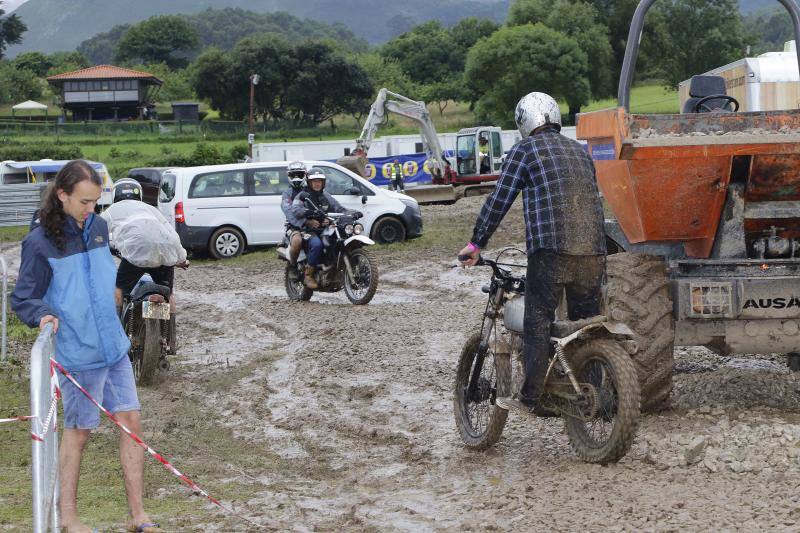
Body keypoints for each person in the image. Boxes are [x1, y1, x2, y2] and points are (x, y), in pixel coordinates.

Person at [11, 160, 162, 533]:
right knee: (79, 433)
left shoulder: (98, 227)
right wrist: (42, 314)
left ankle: (138, 516)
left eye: (95, 201)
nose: (90, 209)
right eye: (83, 202)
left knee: (131, 423)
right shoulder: (39, 241)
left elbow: (108, 270)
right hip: (78, 354)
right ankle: (69, 519)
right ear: (62, 195)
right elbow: (24, 297)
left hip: (113, 347)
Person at [458, 92, 606, 414]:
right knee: (585, 324)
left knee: (537, 319)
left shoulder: (525, 150)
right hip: (594, 251)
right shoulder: (581, 152)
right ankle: (597, 391)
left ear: (525, 122)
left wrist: (476, 243)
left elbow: (500, 199)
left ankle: (531, 398)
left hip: (550, 251)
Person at [101, 179, 188, 355]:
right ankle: (171, 340)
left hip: (135, 254)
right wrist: (182, 258)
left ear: (115, 195)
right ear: (139, 194)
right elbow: (171, 233)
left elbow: (96, 230)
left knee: (119, 290)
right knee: (168, 294)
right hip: (165, 250)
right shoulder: (151, 209)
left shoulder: (111, 211)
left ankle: (116, 338)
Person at [291, 167, 358, 289]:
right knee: (317, 245)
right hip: (307, 230)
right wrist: (308, 215)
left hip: (323, 230)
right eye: (314, 181)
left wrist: (352, 213)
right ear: (309, 182)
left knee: (336, 241)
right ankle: (308, 275)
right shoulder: (303, 195)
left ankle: (332, 267)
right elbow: (295, 210)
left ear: (323, 183)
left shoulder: (325, 195)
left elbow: (339, 208)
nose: (317, 184)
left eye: (319, 181)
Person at [281, 161, 308, 278]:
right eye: (293, 175)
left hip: (312, 225)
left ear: (305, 174)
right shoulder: (287, 194)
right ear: (289, 176)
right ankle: (293, 267)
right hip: (294, 227)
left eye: (299, 174)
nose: (296, 178)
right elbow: (289, 212)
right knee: (297, 241)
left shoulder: (310, 188)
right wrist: (303, 222)